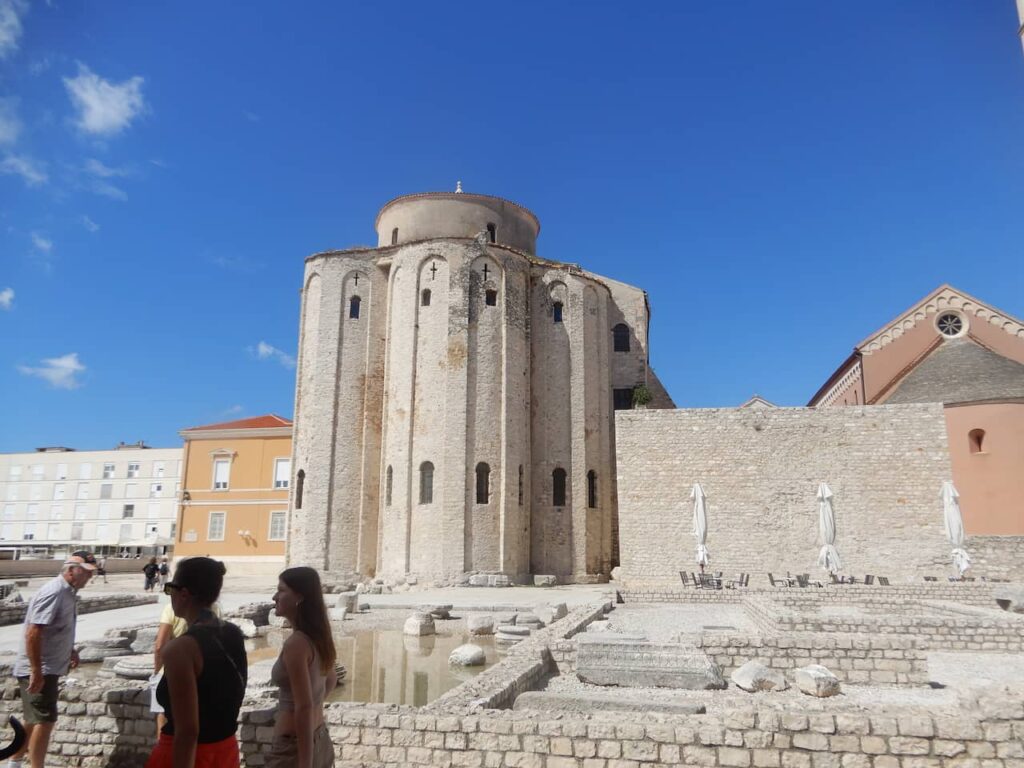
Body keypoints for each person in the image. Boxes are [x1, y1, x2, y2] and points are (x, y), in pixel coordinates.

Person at [145, 557, 246, 768]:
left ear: (184, 594)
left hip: (187, 756)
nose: (169, 594)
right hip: (225, 750)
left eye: (170, 587)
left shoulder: (180, 649)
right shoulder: (233, 633)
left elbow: (188, 731)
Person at [9, 551, 97, 768]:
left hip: (48, 666)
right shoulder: (54, 592)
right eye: (85, 572)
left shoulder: (68, 592)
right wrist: (36, 669)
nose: (89, 577)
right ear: (70, 571)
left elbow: (56, 629)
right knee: (45, 720)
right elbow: (33, 632)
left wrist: (70, 650)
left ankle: (15, 762)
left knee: (34, 718)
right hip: (41, 667)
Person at [268, 567, 337, 768]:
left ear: (299, 596)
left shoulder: (296, 643)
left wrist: (305, 762)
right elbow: (331, 678)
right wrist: (317, 703)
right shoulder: (318, 636)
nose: (274, 597)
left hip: (294, 748)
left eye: (281, 590)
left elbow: (303, 706)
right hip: (320, 738)